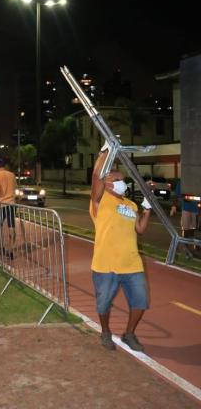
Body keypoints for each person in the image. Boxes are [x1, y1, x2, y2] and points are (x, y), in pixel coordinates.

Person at [90, 143, 152, 352]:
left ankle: (129, 334)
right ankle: (106, 332)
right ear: (106, 184)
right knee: (104, 304)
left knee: (141, 302)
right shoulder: (99, 201)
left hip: (132, 263)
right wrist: (104, 153)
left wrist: (146, 209)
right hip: (106, 265)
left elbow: (140, 229)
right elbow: (96, 175)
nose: (121, 183)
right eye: (116, 180)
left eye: (122, 180)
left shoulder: (130, 205)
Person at [0, 158, 17, 258]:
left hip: (1, 205)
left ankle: (1, 247)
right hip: (11, 204)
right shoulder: (12, 175)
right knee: (11, 227)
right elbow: (15, 188)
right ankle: (10, 250)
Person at [170, 180, 199, 259]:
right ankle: (186, 250)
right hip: (186, 209)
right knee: (186, 230)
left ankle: (194, 250)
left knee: (193, 230)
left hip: (196, 210)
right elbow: (177, 195)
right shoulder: (182, 181)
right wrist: (174, 206)